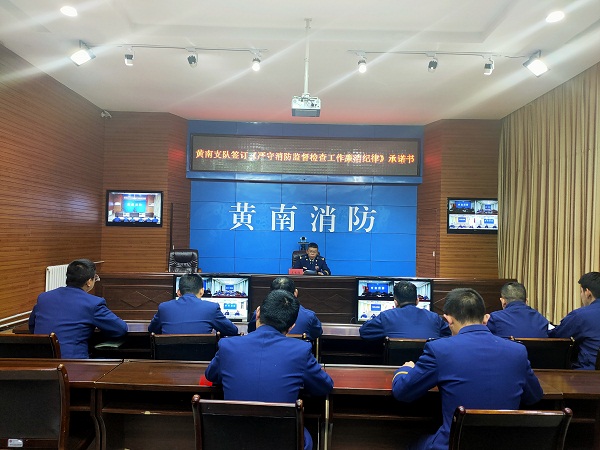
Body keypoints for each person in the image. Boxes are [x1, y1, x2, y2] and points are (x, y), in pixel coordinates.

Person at [391, 288, 543, 450]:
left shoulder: (439, 349)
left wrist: (404, 370)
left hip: (452, 445)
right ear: (486, 318)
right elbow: (534, 397)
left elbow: (403, 392)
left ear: (448, 320)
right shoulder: (518, 351)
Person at [205, 289, 333, 450]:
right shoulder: (301, 350)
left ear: (258, 313)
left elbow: (211, 375)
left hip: (233, 439)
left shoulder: (228, 345)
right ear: (292, 326)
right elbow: (324, 386)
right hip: (282, 441)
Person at [29, 258, 128, 359]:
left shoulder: (44, 297)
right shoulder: (93, 303)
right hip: (73, 364)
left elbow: (32, 326)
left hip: (40, 361)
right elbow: (120, 329)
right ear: (89, 282)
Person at [148, 273, 238, 336]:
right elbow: (232, 331)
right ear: (202, 291)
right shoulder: (212, 308)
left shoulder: (164, 308)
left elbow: (152, 330)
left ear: (178, 292)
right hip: (203, 358)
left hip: (168, 358)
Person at [359, 280, 450, 340]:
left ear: (395, 302)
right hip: (428, 364)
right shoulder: (434, 318)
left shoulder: (386, 317)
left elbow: (364, 331)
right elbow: (451, 335)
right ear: (417, 301)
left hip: (396, 364)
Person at [549, 271, 600, 370]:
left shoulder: (581, 315)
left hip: (588, 374)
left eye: (581, 292)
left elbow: (556, 337)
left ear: (587, 292)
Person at [246, 276, 323, 340]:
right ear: (295, 293)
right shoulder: (309, 316)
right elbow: (317, 334)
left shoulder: (259, 314)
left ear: (271, 294)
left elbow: (251, 332)